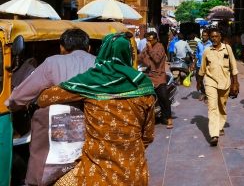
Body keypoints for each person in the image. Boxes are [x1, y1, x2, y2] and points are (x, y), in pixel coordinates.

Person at [37, 32, 156, 186]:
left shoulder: (90, 81)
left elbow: (44, 99)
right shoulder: (143, 84)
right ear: (128, 54)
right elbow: (148, 136)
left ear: (102, 52)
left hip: (97, 173)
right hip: (134, 172)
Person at [6, 28, 95, 186]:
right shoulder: (99, 64)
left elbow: (20, 96)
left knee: (40, 172)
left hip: (54, 135)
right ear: (88, 48)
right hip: (91, 131)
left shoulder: (52, 62)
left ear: (61, 47)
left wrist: (11, 104)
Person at [197, 28, 239, 146]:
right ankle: (214, 134)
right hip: (210, 82)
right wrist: (199, 81)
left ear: (220, 37)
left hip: (225, 82)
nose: (214, 39)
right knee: (212, 107)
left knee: (222, 105)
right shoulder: (207, 51)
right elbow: (203, 68)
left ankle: (220, 126)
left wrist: (235, 83)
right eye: (212, 37)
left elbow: (233, 66)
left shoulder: (227, 48)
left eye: (216, 36)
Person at [139, 30, 173, 128]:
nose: (149, 42)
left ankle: (169, 118)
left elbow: (157, 59)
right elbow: (140, 57)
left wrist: (150, 50)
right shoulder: (147, 47)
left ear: (155, 39)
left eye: (151, 40)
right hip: (149, 76)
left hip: (159, 76)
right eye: (147, 40)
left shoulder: (160, 47)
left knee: (164, 98)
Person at [194, 29, 212, 100]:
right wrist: (193, 63)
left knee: (208, 81)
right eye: (203, 35)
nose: (204, 37)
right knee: (199, 80)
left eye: (205, 36)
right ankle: (203, 92)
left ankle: (208, 94)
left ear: (208, 36)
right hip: (199, 65)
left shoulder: (211, 44)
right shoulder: (199, 44)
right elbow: (197, 54)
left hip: (208, 66)